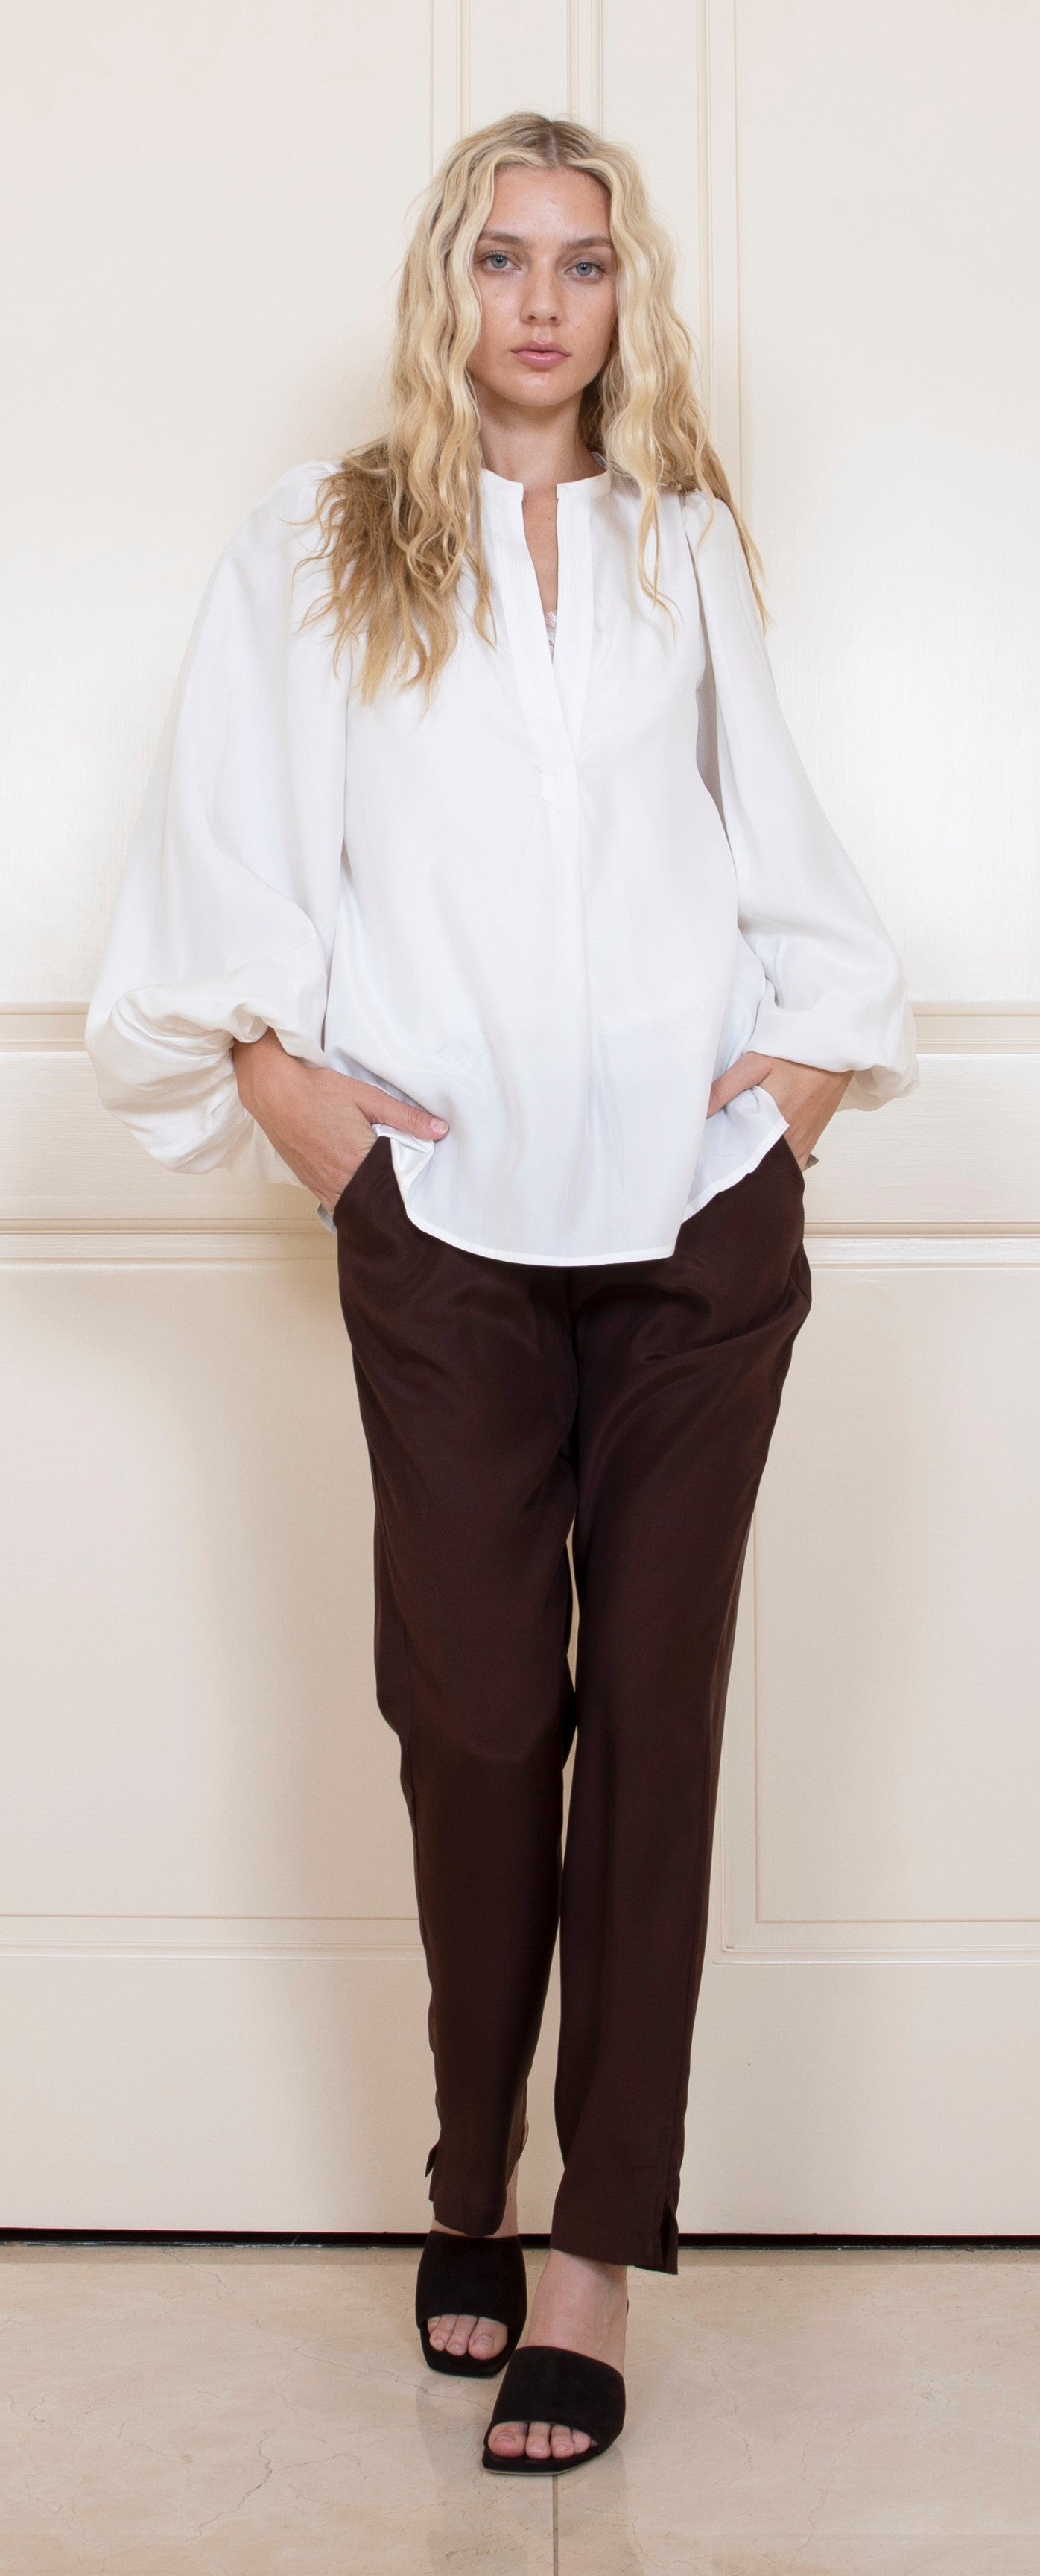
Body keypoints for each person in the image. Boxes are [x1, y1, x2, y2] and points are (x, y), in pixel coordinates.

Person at [86, 110, 916, 2475]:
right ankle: (467, 2169)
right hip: (440, 1226)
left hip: (694, 1230)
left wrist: (797, 1094)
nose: (539, 304)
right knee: (470, 1718)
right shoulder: (321, 540)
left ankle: (589, 2253)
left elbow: (777, 840)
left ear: (625, 299)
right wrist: (304, 1114)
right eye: (498, 258)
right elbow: (222, 852)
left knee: (653, 1721)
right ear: (440, 284)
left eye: (582, 262)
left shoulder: (680, 544)